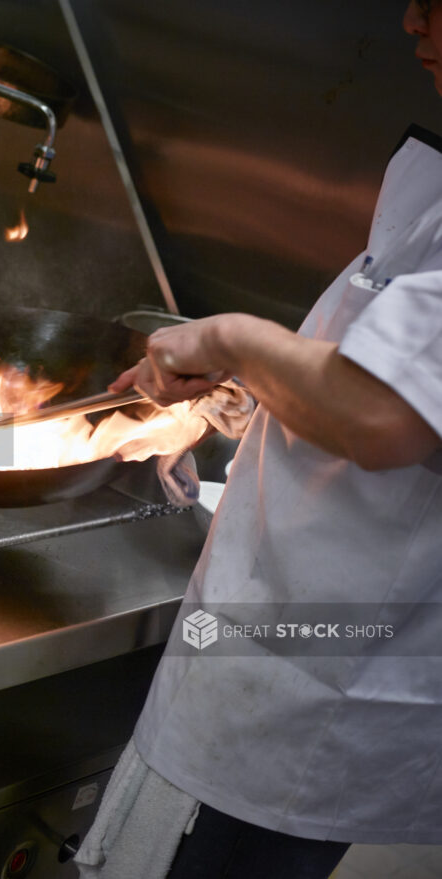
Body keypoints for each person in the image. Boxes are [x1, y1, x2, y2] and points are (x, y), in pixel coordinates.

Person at [75, 2, 442, 877]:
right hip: (276, 666)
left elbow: (383, 417)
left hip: (321, 706)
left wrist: (230, 338)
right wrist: (250, 398)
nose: (410, 21)